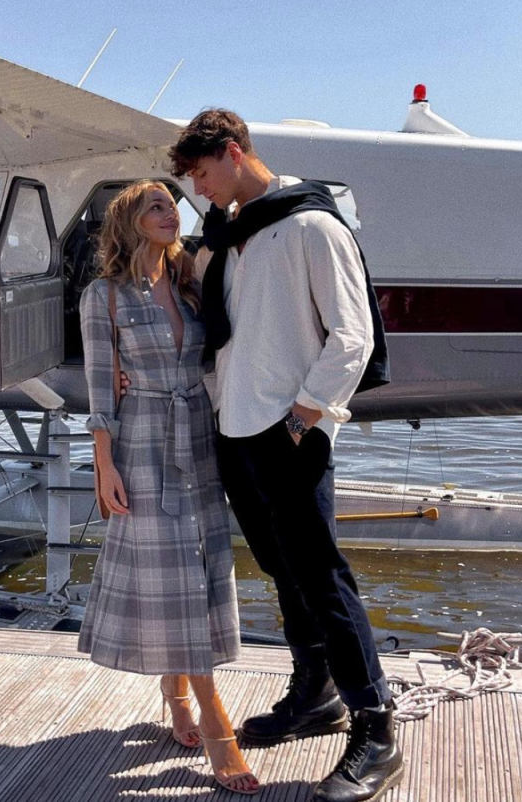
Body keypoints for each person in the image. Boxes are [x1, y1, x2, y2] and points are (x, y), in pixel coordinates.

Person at [163, 109, 402, 802]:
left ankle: (376, 726)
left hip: (286, 432)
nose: (200, 191)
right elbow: (225, 337)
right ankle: (315, 691)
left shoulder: (310, 225)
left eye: (203, 174)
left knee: (322, 576)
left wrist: (303, 419)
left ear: (234, 154)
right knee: (281, 569)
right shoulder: (230, 238)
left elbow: (351, 335)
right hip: (235, 428)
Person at [78, 180, 259, 795]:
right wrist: (105, 467)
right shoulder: (102, 296)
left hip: (199, 437)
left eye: (171, 205)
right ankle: (215, 721)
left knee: (202, 566)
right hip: (141, 442)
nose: (169, 213)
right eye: (155, 205)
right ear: (129, 222)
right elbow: (100, 391)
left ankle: (174, 691)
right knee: (174, 575)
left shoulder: (190, 282)